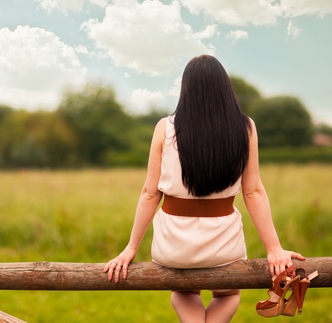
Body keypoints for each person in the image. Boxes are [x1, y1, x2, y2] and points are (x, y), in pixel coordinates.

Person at [103, 55, 305, 323]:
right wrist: (274, 248)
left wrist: (131, 248)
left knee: (183, 291)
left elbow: (150, 193)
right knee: (228, 295)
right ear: (225, 88)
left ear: (185, 90)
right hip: (223, 246)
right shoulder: (246, 128)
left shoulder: (165, 128)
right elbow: (253, 191)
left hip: (173, 246)